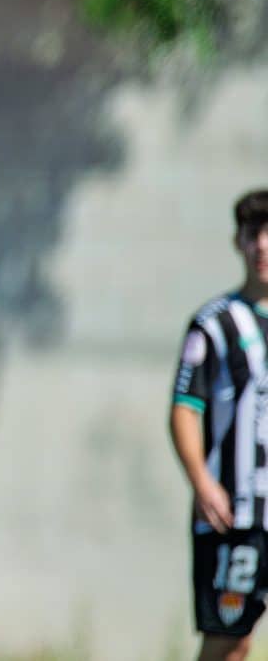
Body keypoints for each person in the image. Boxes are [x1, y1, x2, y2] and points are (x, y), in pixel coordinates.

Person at [171, 190, 268, 661]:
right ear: (239, 242)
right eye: (254, 235)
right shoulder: (214, 324)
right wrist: (203, 484)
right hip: (236, 514)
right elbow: (185, 408)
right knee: (232, 641)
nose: (264, 246)